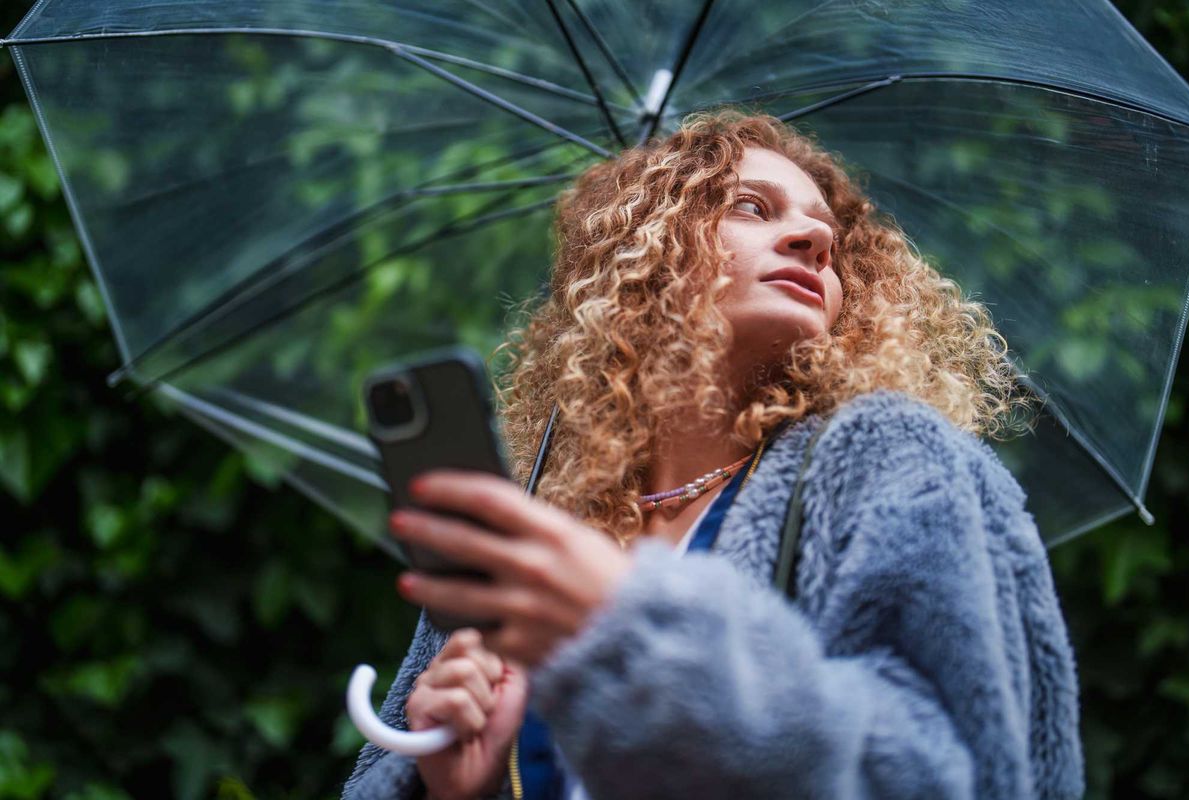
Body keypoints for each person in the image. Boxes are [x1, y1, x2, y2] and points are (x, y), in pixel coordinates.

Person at [342, 111, 1084, 800]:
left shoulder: (890, 459)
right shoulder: (544, 524)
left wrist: (641, 632)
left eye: (829, 239)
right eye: (753, 208)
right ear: (647, 252)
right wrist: (458, 786)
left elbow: (953, 768)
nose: (814, 243)